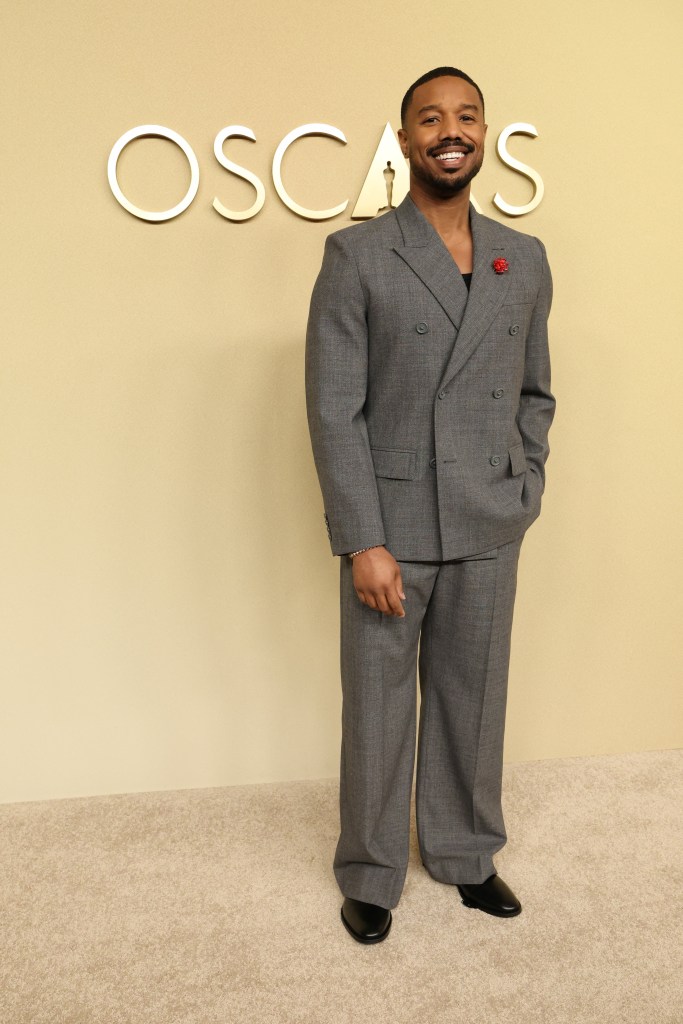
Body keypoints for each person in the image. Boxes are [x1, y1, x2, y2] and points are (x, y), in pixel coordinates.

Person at [305, 67, 555, 944]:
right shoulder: (358, 255)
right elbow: (334, 408)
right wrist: (361, 540)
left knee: (474, 697)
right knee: (377, 705)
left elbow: (534, 393)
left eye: (466, 117)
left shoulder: (521, 258)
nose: (450, 131)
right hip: (394, 527)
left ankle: (464, 854)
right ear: (405, 139)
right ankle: (371, 871)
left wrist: (523, 486)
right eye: (429, 119)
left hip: (488, 518)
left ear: (482, 134)